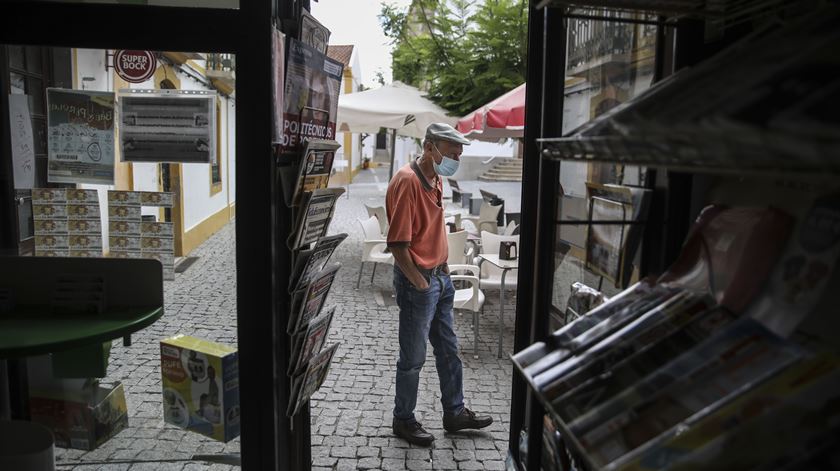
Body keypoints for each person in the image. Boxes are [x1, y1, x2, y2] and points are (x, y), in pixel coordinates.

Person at [386, 122, 493, 447]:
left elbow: (431, 227)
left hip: (440, 279)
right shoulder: (407, 181)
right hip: (419, 283)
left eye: (459, 154)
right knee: (413, 357)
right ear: (430, 146)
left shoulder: (436, 179)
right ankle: (403, 419)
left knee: (449, 351)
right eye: (451, 152)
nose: (456, 159)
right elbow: (397, 244)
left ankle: (454, 412)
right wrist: (419, 282)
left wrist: (443, 271)